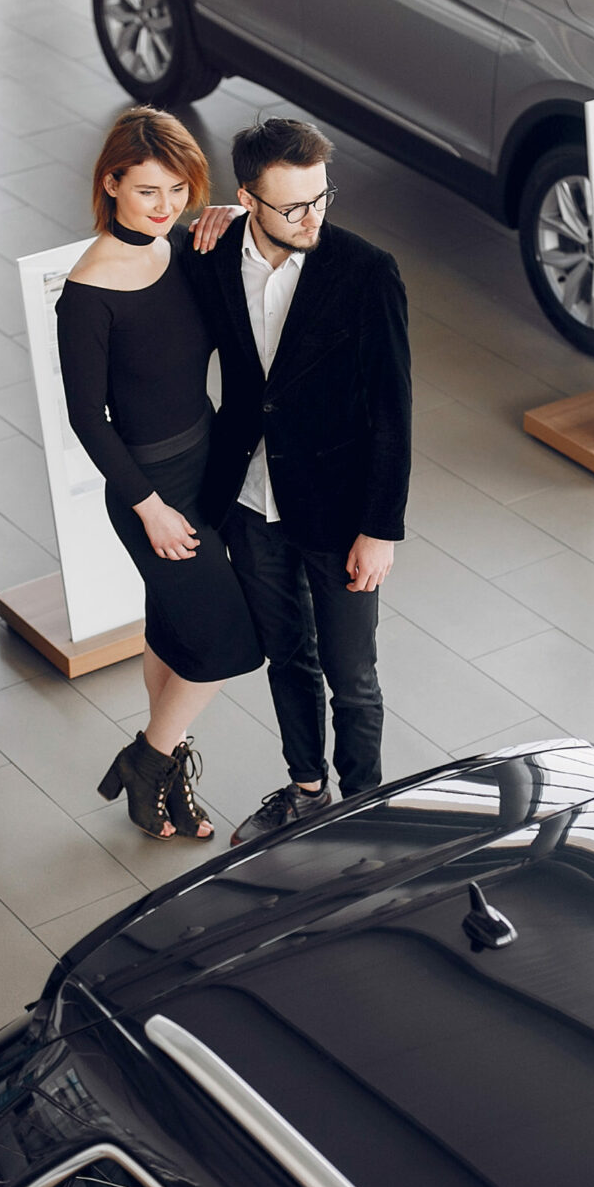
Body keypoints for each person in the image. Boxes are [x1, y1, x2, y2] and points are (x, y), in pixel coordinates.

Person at [183, 118, 412, 846]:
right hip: (249, 504)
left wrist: (380, 529)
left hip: (342, 511)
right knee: (288, 656)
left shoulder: (367, 270)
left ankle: (366, 806)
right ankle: (308, 790)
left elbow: (393, 409)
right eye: (292, 206)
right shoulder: (212, 258)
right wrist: (199, 217)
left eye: (321, 198)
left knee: (354, 676)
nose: (312, 218)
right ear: (247, 198)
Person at [56, 108, 262, 841]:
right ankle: (149, 758)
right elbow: (88, 418)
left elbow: (266, 251)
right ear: (110, 183)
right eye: (148, 190)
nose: (166, 205)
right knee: (231, 640)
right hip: (152, 491)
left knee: (174, 630)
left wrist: (236, 215)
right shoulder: (86, 292)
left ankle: (164, 777)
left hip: (207, 463)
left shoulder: (184, 249)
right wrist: (149, 507)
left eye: (178, 189)